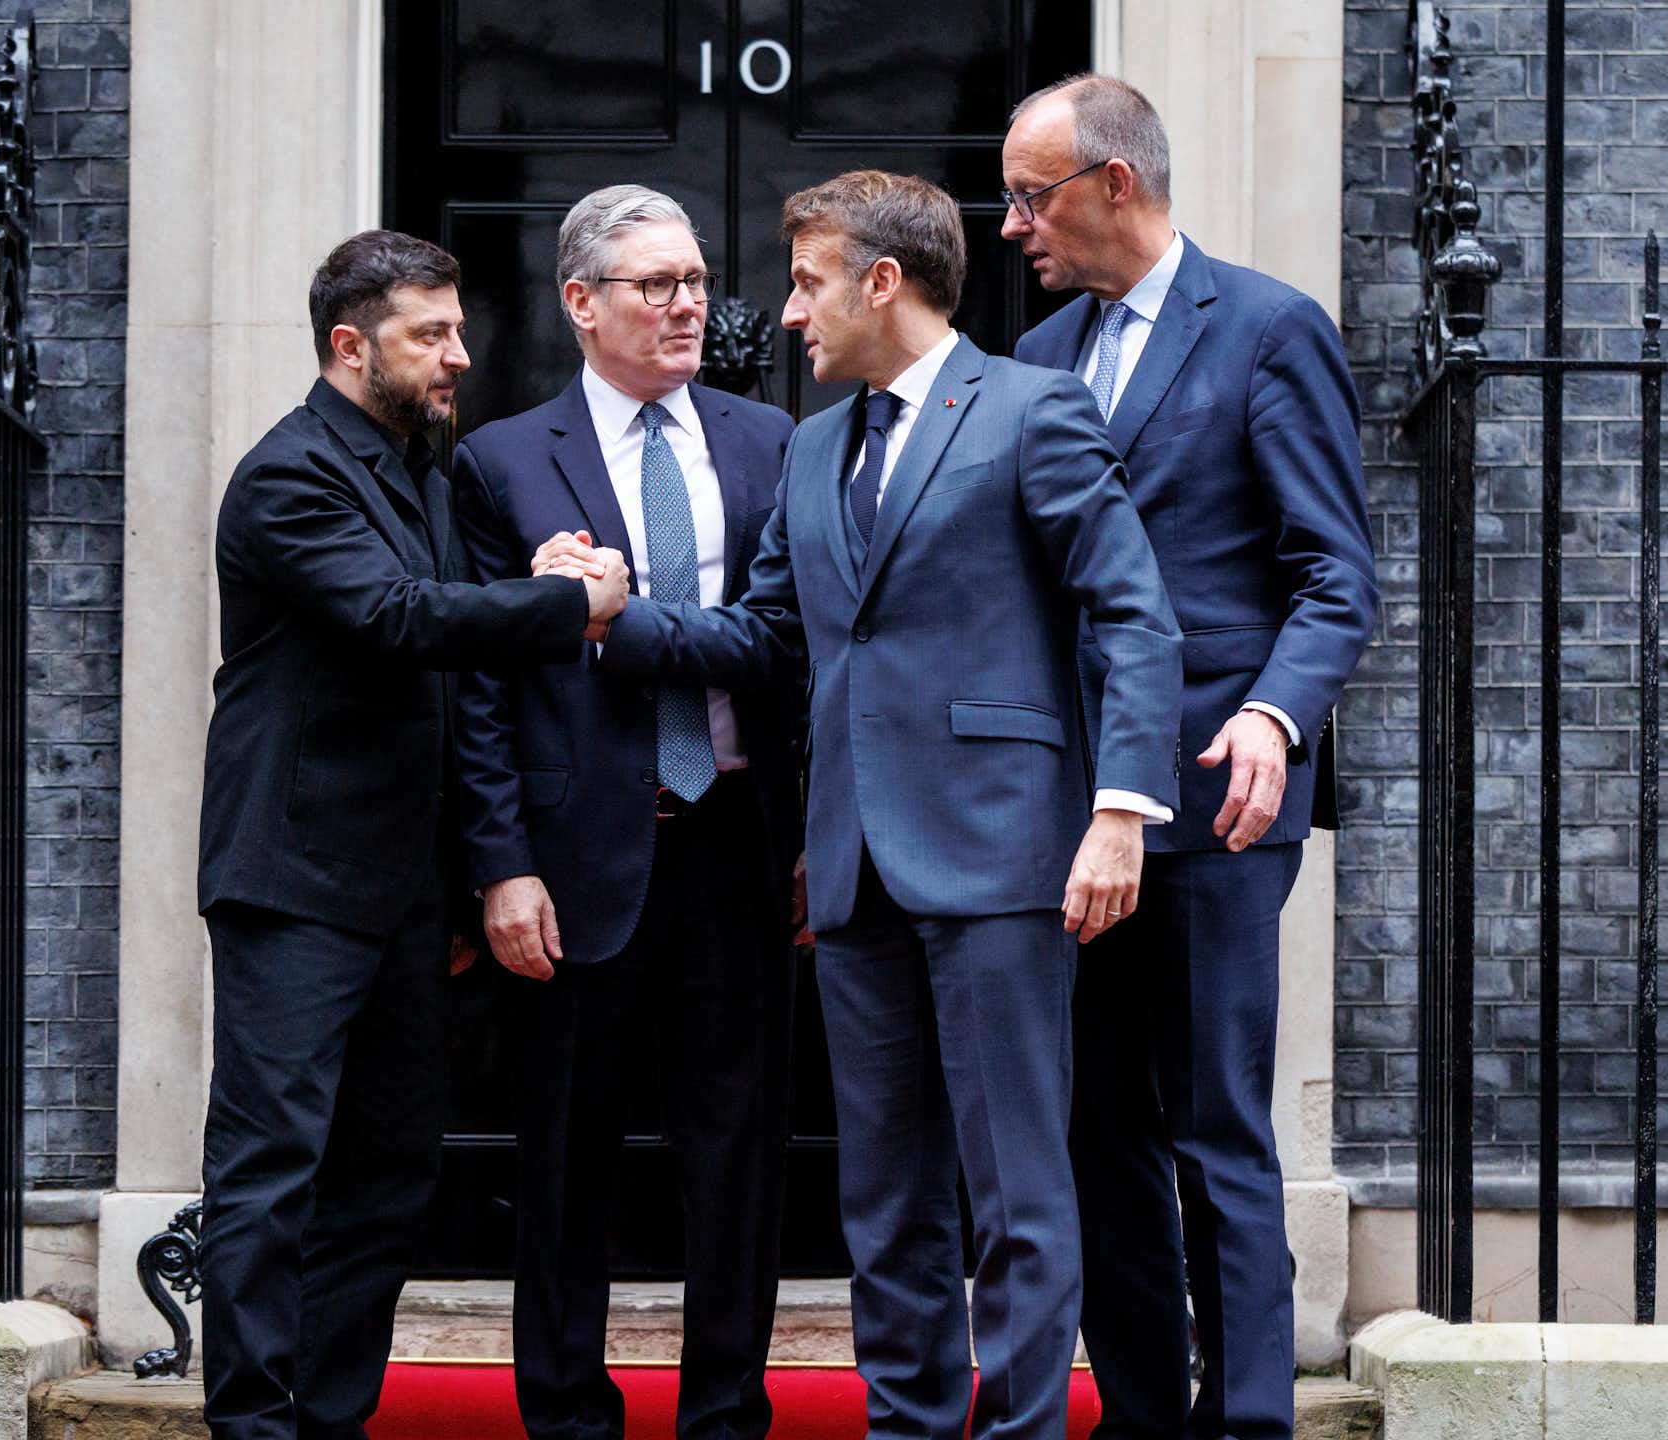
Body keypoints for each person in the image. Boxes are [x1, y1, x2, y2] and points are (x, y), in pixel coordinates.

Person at [536, 170, 1181, 1440]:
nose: (786, 315)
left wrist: (1119, 811)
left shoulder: (1032, 412)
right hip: (851, 873)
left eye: (808, 281)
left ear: (881, 283)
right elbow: (769, 635)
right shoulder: (818, 445)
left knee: (1016, 1198)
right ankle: (910, 1426)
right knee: (885, 1199)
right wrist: (615, 615)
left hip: (1004, 857)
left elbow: (1131, 614)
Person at [194, 229, 626, 1440]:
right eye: (429, 334)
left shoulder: (416, 462)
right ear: (350, 346)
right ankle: (253, 1425)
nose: (459, 354)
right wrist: (566, 605)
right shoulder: (289, 476)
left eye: (457, 328)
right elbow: (394, 619)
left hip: (395, 890)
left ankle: (325, 1419)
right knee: (273, 1171)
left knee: (388, 1174)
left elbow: (442, 620)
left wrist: (530, 575)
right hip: (293, 879)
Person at [1001, 75, 1380, 1440]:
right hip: (1067, 806)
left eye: (1031, 195)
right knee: (1096, 1125)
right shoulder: (1035, 357)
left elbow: (1335, 576)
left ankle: (1255, 1416)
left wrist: (1276, 716)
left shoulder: (1267, 330)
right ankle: (1148, 1412)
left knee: (1217, 1125)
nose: (1010, 224)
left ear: (1115, 182)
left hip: (1219, 796)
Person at [450, 185, 804, 1440]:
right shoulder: (499, 461)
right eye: (656, 285)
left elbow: (790, 652)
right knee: (561, 1158)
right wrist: (498, 865)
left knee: (736, 1157)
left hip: (736, 846)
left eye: (697, 281)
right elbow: (478, 690)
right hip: (572, 853)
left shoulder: (773, 443)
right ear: (581, 304)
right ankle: (566, 1416)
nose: (687, 306)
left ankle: (725, 1414)